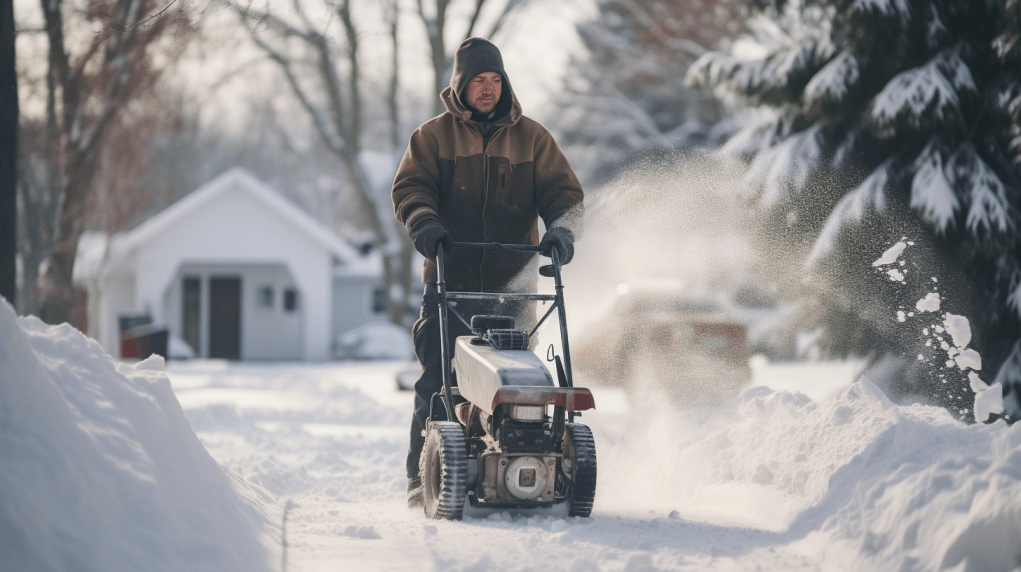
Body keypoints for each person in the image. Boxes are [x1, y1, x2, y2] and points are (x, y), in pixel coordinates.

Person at [392, 37, 584, 506]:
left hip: (514, 284)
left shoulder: (533, 139)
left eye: (496, 79)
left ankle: (519, 467)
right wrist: (426, 225)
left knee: (516, 379)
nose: (489, 88)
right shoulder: (433, 137)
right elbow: (410, 189)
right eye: (479, 79)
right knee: (439, 381)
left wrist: (560, 232)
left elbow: (565, 196)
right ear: (460, 84)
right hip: (449, 279)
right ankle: (424, 477)